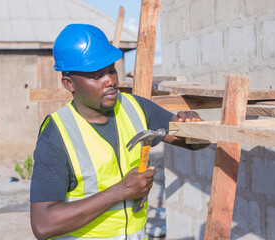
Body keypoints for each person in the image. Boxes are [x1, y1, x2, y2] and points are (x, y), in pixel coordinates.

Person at [30, 23, 208, 240]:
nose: (111, 81)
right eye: (96, 76)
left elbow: (192, 141)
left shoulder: (136, 108)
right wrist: (121, 191)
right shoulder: (56, 135)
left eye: (112, 70)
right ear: (69, 84)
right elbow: (43, 225)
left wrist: (196, 128)